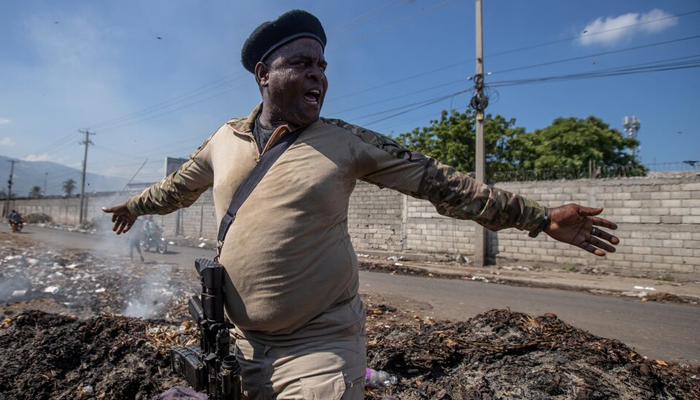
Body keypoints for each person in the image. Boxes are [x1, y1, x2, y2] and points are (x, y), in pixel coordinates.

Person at [103, 10, 619, 399]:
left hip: (319, 344)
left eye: (323, 66)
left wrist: (540, 218)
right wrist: (134, 207)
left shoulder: (347, 143)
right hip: (236, 346)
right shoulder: (223, 140)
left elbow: (443, 184)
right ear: (263, 73)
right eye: (301, 63)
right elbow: (177, 187)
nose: (318, 76)